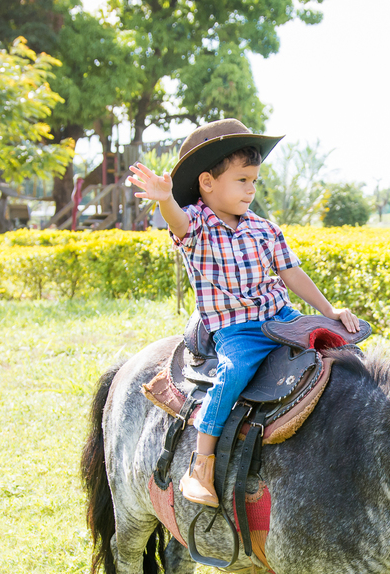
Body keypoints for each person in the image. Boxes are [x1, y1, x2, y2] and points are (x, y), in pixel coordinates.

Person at [128, 119, 360, 508]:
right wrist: (165, 199)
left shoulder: (264, 229)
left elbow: (291, 272)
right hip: (238, 329)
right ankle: (201, 463)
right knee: (232, 375)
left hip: (280, 315)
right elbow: (178, 222)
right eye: (242, 180)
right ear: (207, 183)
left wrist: (329, 310)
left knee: (341, 348)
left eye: (254, 180)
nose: (251, 189)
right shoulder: (198, 224)